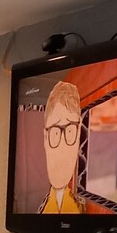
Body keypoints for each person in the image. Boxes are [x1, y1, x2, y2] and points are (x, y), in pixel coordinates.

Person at [39, 79, 83, 214]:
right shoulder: (41, 212)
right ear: (45, 138)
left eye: (70, 130)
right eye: (55, 132)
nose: (62, 148)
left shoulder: (82, 204)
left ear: (79, 132)